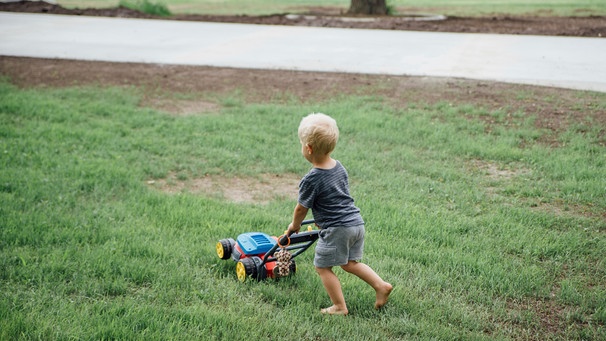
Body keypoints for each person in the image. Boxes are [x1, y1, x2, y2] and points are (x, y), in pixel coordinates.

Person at [287, 113, 392, 315]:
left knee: (322, 267)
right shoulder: (339, 166)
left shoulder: (311, 179)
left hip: (338, 229)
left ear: (308, 148)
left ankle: (339, 306)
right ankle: (381, 286)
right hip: (355, 223)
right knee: (350, 264)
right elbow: (335, 197)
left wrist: (294, 226)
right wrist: (323, 219)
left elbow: (301, 208)